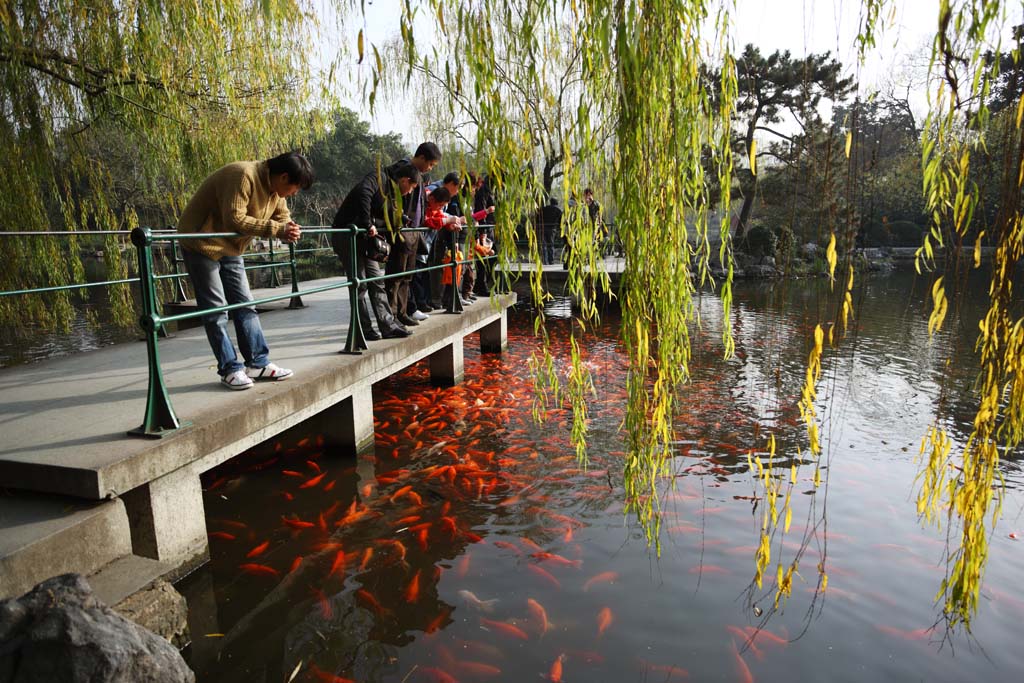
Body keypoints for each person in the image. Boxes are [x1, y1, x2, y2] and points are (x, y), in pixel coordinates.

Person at [178, 151, 314, 390]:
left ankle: (258, 363)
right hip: (201, 242)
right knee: (216, 310)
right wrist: (278, 230)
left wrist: (289, 226)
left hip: (231, 247)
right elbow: (235, 219)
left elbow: (282, 215)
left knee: (245, 305)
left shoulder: (274, 191)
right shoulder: (243, 175)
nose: (294, 194)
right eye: (295, 188)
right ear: (283, 177)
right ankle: (230, 369)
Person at [331, 163, 422, 340]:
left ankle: (388, 326)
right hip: (348, 235)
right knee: (359, 284)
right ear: (404, 180)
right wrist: (368, 223)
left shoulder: (392, 192)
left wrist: (400, 219)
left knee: (376, 281)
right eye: (411, 187)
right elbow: (363, 194)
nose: (410, 192)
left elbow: (383, 210)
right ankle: (363, 329)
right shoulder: (378, 179)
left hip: (365, 240)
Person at [384, 142, 442, 328]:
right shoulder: (399, 170)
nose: (429, 169)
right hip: (402, 231)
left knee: (407, 275)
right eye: (430, 164)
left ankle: (403, 312)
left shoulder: (419, 176)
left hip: (414, 231)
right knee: (395, 276)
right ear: (422, 158)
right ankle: (392, 316)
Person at [540, 197, 562, 266]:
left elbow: (539, 216)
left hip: (543, 228)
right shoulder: (558, 210)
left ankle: (545, 261)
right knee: (551, 244)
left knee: (544, 244)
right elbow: (561, 220)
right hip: (552, 228)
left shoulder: (544, 209)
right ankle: (551, 261)